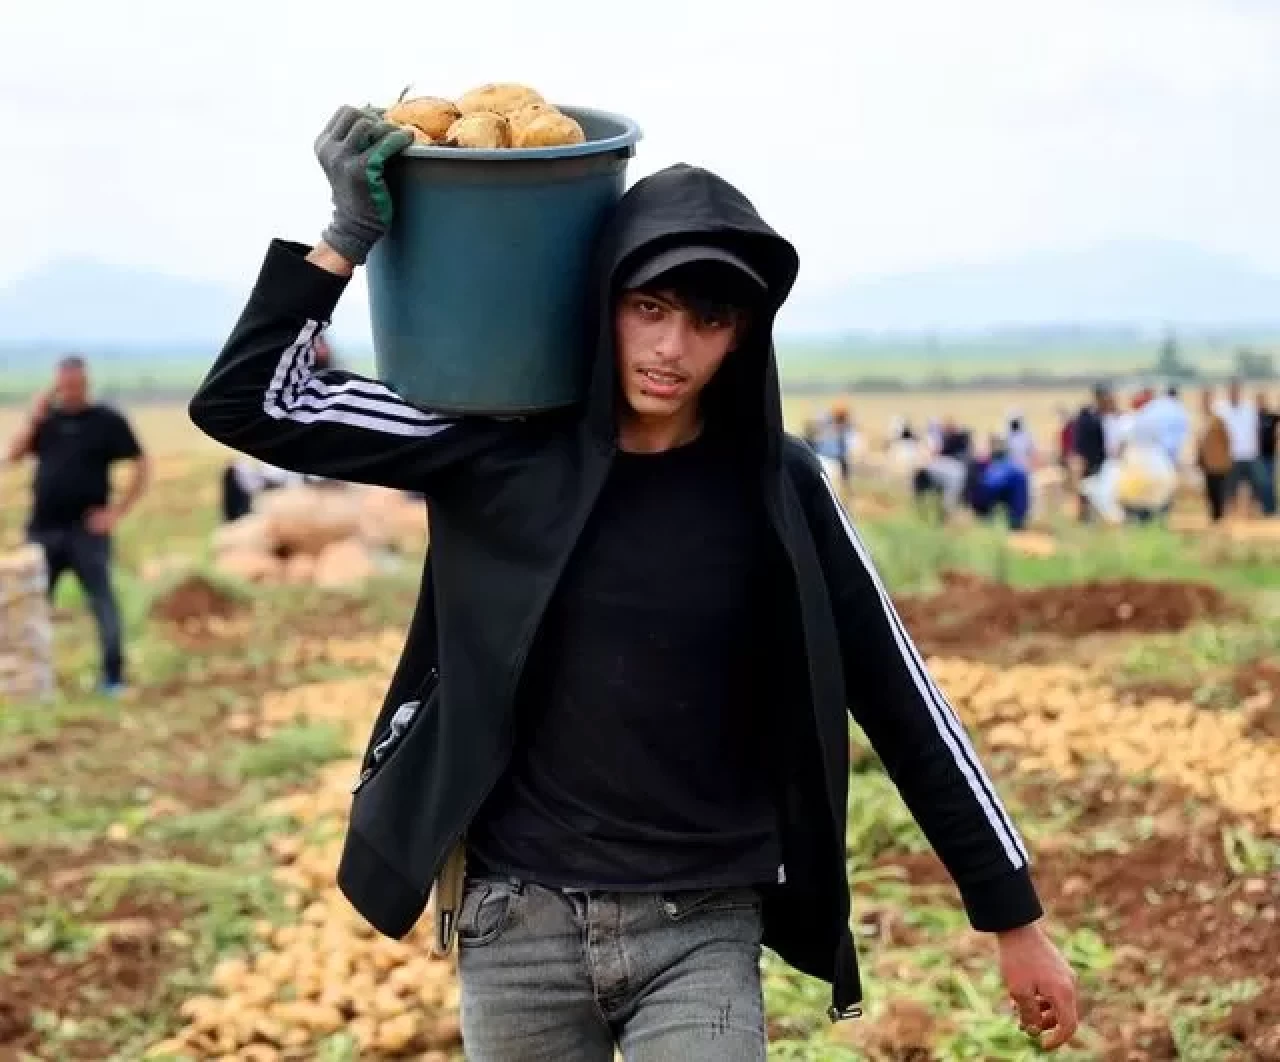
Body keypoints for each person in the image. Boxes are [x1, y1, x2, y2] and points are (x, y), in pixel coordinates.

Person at [187, 105, 1078, 1060]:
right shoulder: (492, 445)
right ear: (599, 300)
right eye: (648, 307)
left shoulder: (778, 491)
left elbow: (904, 698)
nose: (671, 348)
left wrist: (1012, 916)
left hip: (697, 924)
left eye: (709, 319)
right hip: (515, 922)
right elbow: (250, 400)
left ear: (742, 338)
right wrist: (345, 238)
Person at [3, 355, 150, 695]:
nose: (70, 392)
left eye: (76, 385)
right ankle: (29, 683)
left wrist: (116, 513)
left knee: (102, 602)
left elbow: (141, 463)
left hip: (87, 532)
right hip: (43, 529)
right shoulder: (45, 422)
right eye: (64, 386)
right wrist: (35, 414)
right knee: (27, 608)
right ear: (56, 386)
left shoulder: (106, 421)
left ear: (86, 383)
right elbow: (12, 456)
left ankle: (113, 679)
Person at [1215, 379, 1266, 517]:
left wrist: (1257, 450)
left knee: (1257, 484)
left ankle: (1252, 514)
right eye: (1232, 390)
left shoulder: (1249, 409)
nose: (1234, 393)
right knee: (1229, 488)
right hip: (1230, 455)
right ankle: (1229, 515)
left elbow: (1255, 432)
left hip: (1249, 454)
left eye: (1236, 391)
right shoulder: (1220, 410)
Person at [1196, 388, 1232, 523]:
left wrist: (1226, 457)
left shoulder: (1218, 420)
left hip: (1219, 462)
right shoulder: (1201, 420)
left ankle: (1220, 516)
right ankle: (1214, 517)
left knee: (1219, 490)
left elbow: (1227, 440)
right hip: (1206, 463)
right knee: (1210, 490)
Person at [1257, 391, 1277, 517]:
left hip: (1270, 455)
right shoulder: (1254, 416)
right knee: (1261, 483)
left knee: (1270, 483)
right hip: (1257, 456)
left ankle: (1271, 509)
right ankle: (1263, 508)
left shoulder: (1271, 416)